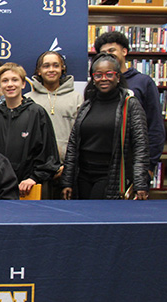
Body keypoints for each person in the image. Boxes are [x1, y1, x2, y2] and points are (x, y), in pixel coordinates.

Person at [61, 53, 150, 200]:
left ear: (118, 77)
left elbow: (141, 146)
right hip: (83, 175)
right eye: (98, 75)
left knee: (98, 216)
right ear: (93, 79)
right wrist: (67, 182)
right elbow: (73, 145)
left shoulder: (130, 104)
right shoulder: (87, 105)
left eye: (109, 74)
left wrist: (141, 183)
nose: (103, 79)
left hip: (111, 174)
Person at [0, 62, 61, 198]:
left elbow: (49, 153)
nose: (10, 84)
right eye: (5, 81)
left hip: (30, 187)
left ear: (23, 84)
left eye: (15, 80)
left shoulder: (37, 113)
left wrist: (33, 178)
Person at [95, 31, 165, 172]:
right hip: (102, 162)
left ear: (124, 51)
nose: (108, 55)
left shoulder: (143, 82)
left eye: (112, 50)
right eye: (104, 53)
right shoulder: (98, 84)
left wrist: (149, 165)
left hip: (134, 161)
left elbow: (155, 125)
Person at [25, 51, 83, 162]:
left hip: (68, 165)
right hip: (36, 167)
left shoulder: (76, 99)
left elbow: (81, 135)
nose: (51, 69)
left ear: (62, 69)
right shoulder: (28, 99)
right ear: (39, 71)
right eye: (46, 66)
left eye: (56, 65)